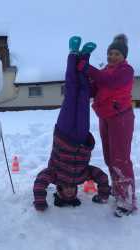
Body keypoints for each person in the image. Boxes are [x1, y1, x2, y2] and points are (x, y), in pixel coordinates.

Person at [32, 36, 111, 211]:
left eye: (65, 192)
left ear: (59, 191)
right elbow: (101, 177)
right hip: (82, 137)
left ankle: (73, 54)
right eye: (72, 192)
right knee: (83, 95)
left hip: (63, 134)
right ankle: (85, 58)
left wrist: (40, 202)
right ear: (76, 191)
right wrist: (104, 193)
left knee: (71, 92)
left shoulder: (54, 175)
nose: (69, 190)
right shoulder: (82, 177)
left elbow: (40, 182)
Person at [77, 34, 137, 217]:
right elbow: (97, 87)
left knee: (120, 159)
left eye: (117, 53)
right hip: (106, 117)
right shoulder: (106, 71)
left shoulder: (126, 71)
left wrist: (88, 68)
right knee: (110, 157)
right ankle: (117, 191)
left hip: (121, 118)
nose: (112, 56)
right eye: (110, 53)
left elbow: (109, 81)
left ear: (124, 56)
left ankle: (127, 202)